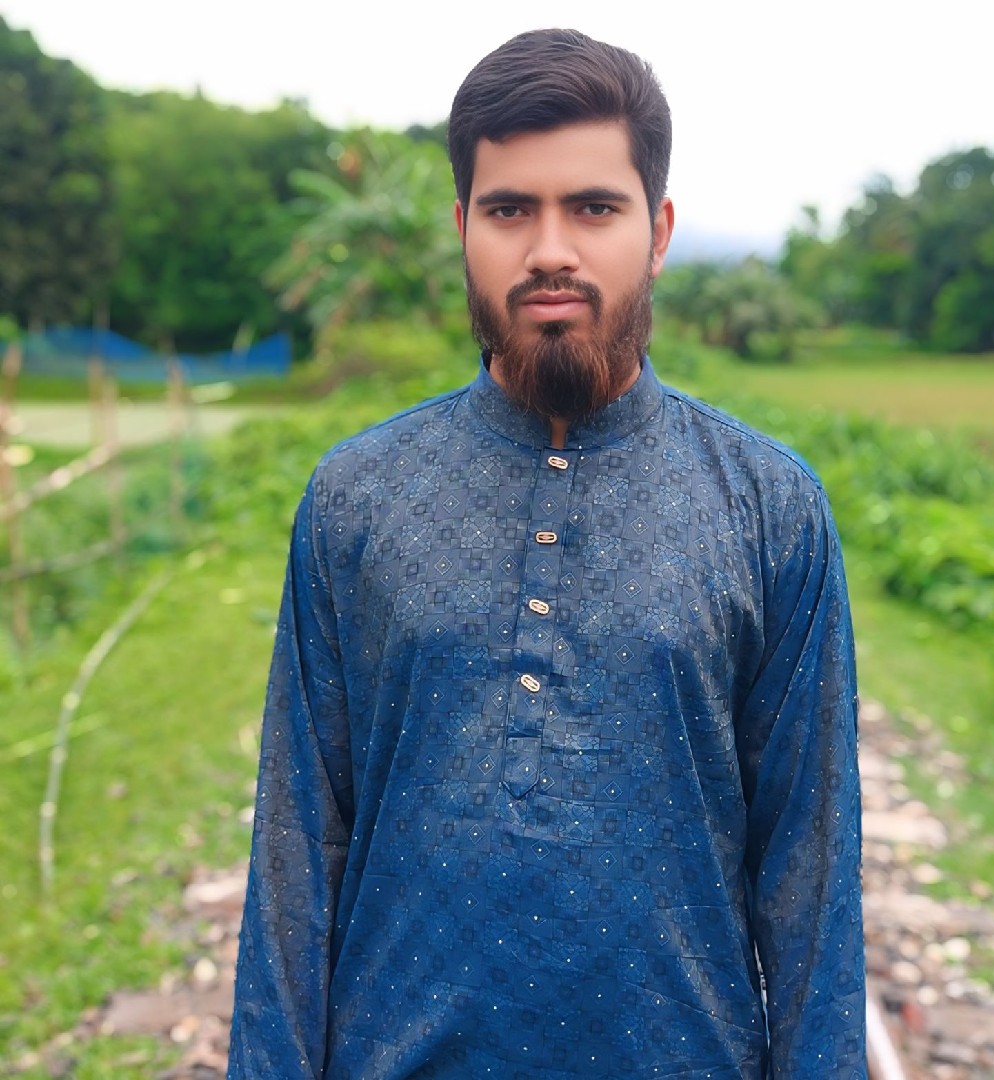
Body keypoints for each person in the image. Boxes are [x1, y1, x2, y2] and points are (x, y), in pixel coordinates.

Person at [228, 27, 865, 1080]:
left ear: (658, 232)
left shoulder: (769, 508)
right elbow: (296, 843)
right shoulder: (356, 498)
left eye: (595, 208)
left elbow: (812, 872)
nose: (551, 249)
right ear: (462, 229)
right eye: (510, 209)